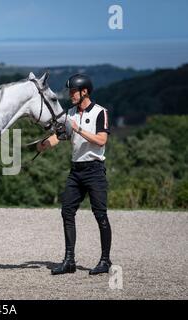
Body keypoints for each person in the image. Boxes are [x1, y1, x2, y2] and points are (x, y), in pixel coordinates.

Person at [37, 74, 112, 275]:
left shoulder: (100, 112)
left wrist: (78, 129)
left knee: (100, 215)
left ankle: (105, 261)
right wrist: (44, 145)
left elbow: (101, 140)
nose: (70, 95)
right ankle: (69, 260)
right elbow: (61, 136)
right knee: (67, 212)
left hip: (95, 170)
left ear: (84, 92)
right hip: (76, 170)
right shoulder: (69, 113)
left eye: (73, 92)